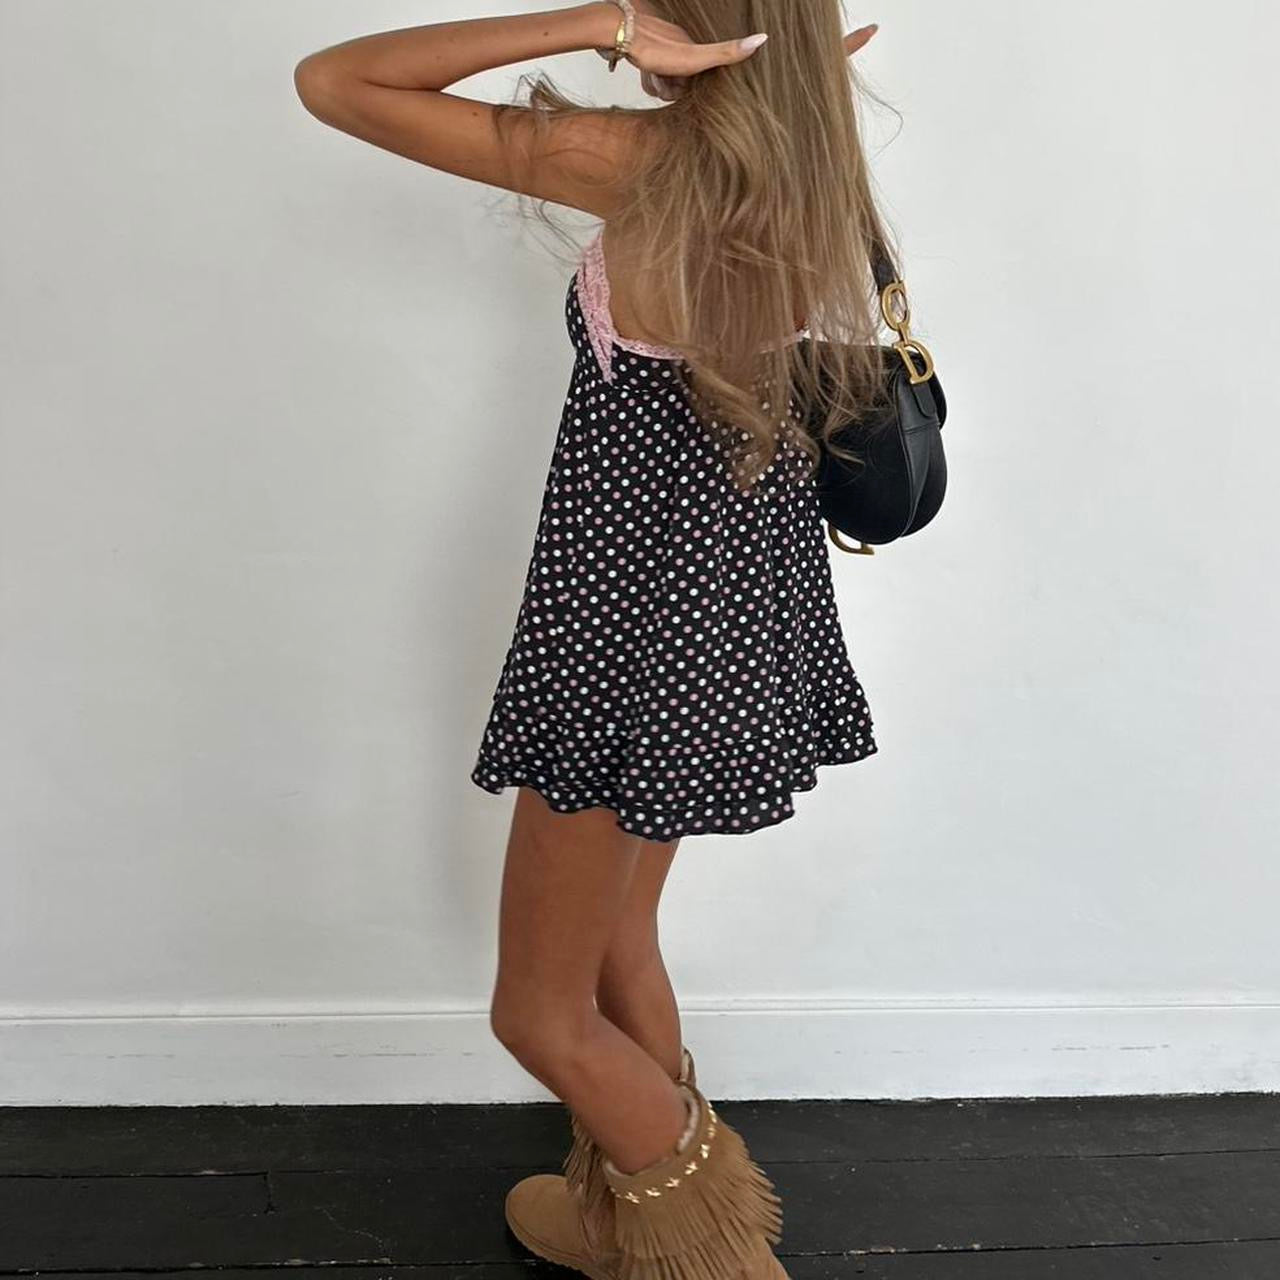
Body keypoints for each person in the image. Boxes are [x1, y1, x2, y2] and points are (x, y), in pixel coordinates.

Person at [295, 5, 890, 1275]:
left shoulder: (635, 162)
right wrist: (781, 75)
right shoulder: (811, 167)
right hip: (731, 622)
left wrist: (606, 27)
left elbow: (336, 82)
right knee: (620, 942)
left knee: (536, 1012)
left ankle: (712, 1250)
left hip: (620, 632)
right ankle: (626, 1219)